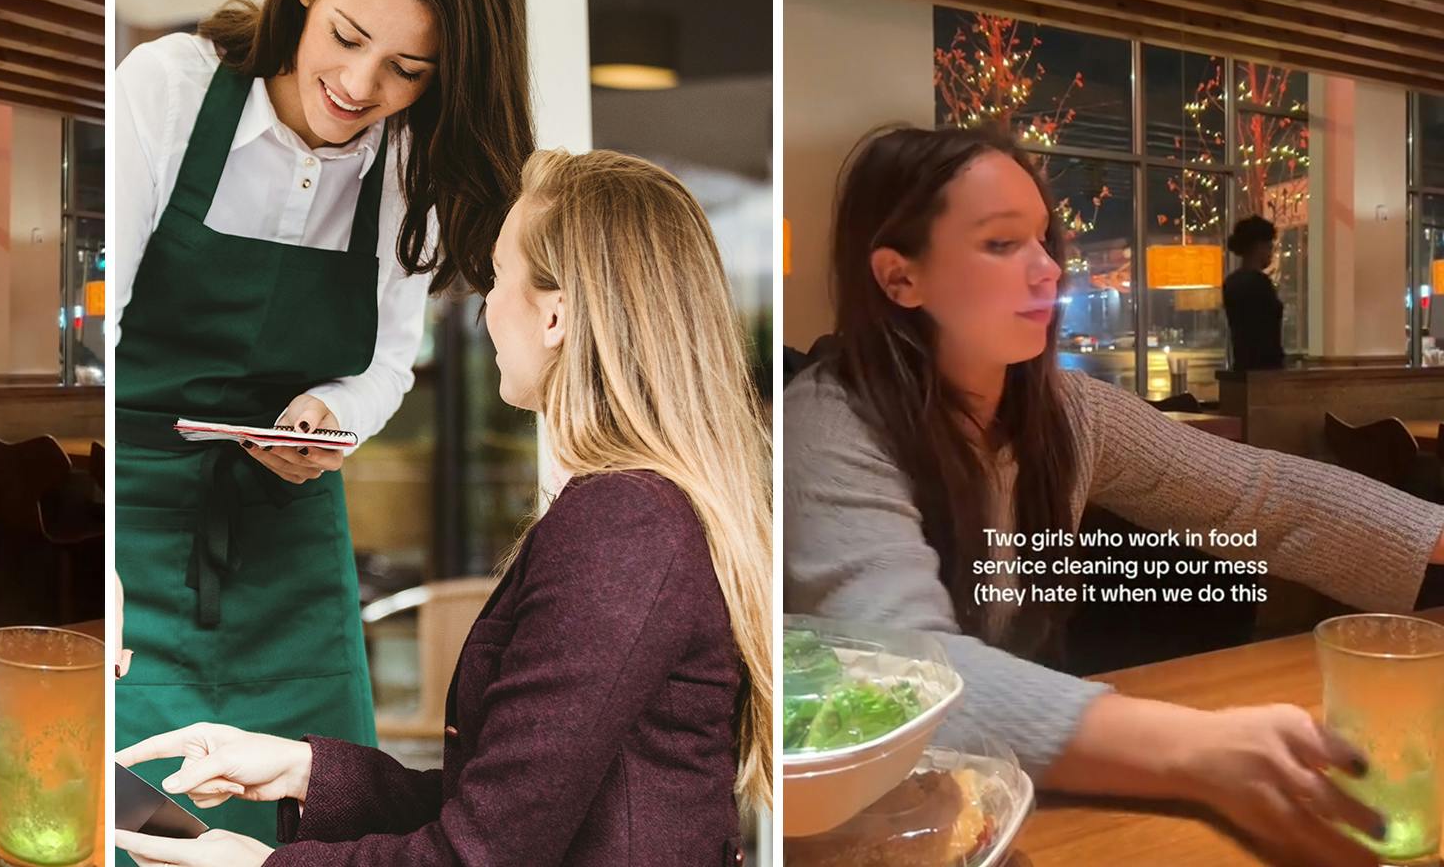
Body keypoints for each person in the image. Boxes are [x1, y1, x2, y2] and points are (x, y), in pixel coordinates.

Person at [785, 125, 1444, 867]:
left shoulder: (1067, 411)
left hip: (1015, 797)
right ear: (900, 278)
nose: (1047, 271)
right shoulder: (825, 426)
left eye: (1043, 240)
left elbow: (1258, 496)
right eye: (1002, 244)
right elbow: (904, 670)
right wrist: (1197, 747)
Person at [114, 149, 772, 867]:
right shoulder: (638, 512)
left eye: (497, 276)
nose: (485, 304)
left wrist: (255, 865)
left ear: (555, 315)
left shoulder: (624, 527)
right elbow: (510, 805)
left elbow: (478, 855)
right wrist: (301, 769)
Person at [112, 0, 532, 849]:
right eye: (347, 38)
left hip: (286, 542)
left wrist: (325, 416)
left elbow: (387, 361)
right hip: (127, 515)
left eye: (406, 70)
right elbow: (102, 330)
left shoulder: (406, 164)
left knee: (314, 823)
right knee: (138, 822)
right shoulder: (171, 89)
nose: (359, 87)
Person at [1223, 214, 1286, 371]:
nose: (1271, 253)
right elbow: (1266, 336)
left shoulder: (1232, 282)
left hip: (1243, 367)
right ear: (1258, 246)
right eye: (1269, 246)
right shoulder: (1259, 283)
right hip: (1265, 371)